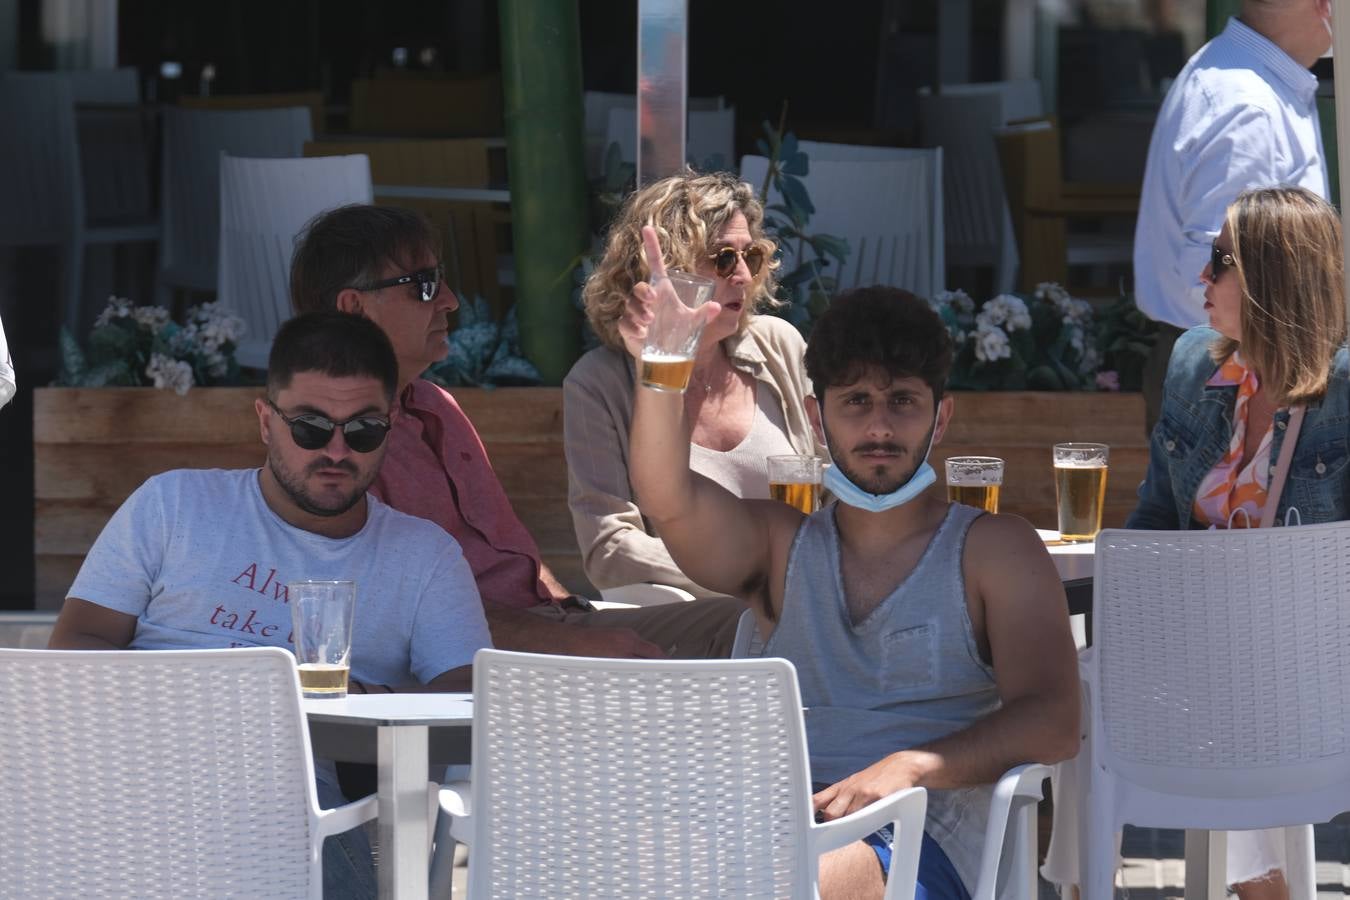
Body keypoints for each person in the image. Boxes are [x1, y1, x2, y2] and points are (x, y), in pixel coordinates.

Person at [624, 237, 1081, 900]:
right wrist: (664, 365)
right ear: (816, 418)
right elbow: (667, 498)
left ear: (941, 416)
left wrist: (913, 768)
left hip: (923, 838)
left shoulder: (995, 549)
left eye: (902, 401)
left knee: (771, 883)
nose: (879, 427)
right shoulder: (780, 544)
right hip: (777, 826)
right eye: (856, 402)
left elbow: (1057, 720)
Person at [48, 311, 492, 899]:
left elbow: (470, 704)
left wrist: (372, 704)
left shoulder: (424, 556)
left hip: (294, 812)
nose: (336, 450)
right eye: (310, 427)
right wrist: (195, 708)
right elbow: (74, 649)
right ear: (265, 421)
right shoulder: (174, 504)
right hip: (134, 791)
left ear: (390, 428)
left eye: (362, 431)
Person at [1047, 186, 1347, 900]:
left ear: (1274, 279)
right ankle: (1086, 884)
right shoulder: (1193, 369)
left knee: (1233, 683)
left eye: (1220, 261)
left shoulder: (1343, 398)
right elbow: (1154, 520)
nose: (1200, 281)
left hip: (1311, 674)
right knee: (1067, 677)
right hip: (1191, 660)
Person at [290, 203, 743, 658]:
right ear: (354, 307)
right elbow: (403, 611)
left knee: (753, 621)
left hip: (549, 624)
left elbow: (509, 559)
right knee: (738, 630)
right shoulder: (335, 442)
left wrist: (574, 616)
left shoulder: (436, 405)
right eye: (424, 286)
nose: (449, 300)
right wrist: (576, 643)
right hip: (487, 660)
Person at [567, 170, 822, 598]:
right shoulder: (598, 383)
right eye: (723, 258)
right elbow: (608, 549)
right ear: (664, 265)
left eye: (751, 257)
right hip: (699, 620)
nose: (741, 275)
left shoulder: (780, 345)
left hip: (805, 606)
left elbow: (834, 486)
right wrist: (751, 575)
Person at [1133, 0, 1333, 431]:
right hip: (1230, 374)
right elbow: (1214, 275)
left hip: (1232, 366)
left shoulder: (1245, 80)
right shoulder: (1248, 105)